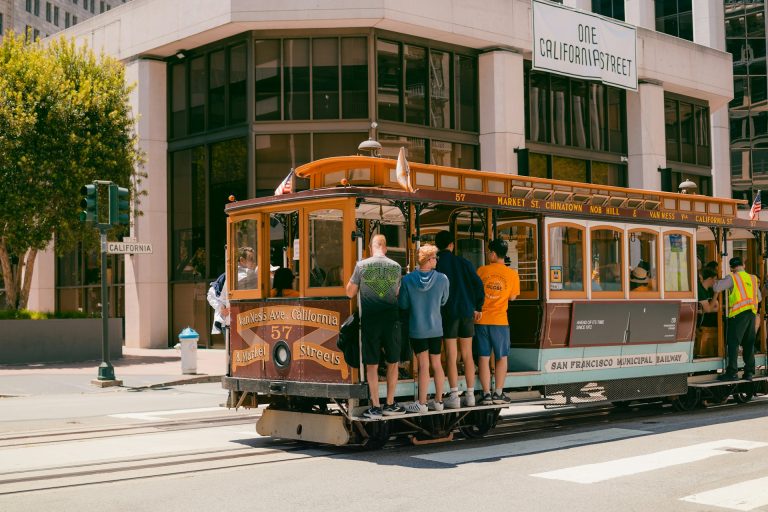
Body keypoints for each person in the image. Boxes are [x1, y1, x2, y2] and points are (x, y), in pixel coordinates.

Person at [346, 234, 406, 418]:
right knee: (393, 362)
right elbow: (396, 291)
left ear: (371, 248)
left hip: (370, 320)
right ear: (385, 248)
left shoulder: (361, 265)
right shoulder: (396, 267)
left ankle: (375, 406)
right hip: (391, 320)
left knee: (371, 364)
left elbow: (349, 292)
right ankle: (389, 403)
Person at [435, 230, 485, 408]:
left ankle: (454, 395)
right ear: (451, 245)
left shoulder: (437, 264)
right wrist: (478, 306)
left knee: (451, 355)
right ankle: (470, 395)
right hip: (466, 312)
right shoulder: (464, 262)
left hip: (447, 313)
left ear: (437, 246)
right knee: (467, 354)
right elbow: (478, 285)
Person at [398, 244, 449, 413]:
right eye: (435, 257)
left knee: (423, 365)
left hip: (417, 328)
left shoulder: (407, 279)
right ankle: (439, 401)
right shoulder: (442, 279)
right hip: (436, 328)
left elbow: (403, 305)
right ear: (429, 259)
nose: (436, 260)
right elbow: (443, 301)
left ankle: (422, 403)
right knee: (437, 363)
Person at [476, 239, 520, 405]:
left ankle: (486, 394)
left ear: (493, 254)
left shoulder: (481, 271)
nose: (488, 255)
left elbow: (476, 293)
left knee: (484, 356)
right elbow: (513, 297)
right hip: (500, 321)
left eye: (488, 252)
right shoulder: (512, 274)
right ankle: (498, 393)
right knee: (501, 357)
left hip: (481, 320)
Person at [713, 257, 761, 381]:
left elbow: (716, 288)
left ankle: (732, 372)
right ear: (743, 265)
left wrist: (718, 279)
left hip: (738, 315)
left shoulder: (732, 277)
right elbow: (759, 298)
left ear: (732, 268)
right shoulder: (753, 278)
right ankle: (749, 372)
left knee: (733, 343)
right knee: (749, 343)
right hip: (752, 314)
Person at [696, 268, 719, 357]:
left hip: (708, 316)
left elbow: (716, 307)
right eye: (715, 279)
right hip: (702, 320)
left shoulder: (708, 290)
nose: (716, 282)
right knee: (727, 322)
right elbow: (708, 309)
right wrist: (716, 294)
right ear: (710, 279)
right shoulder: (700, 290)